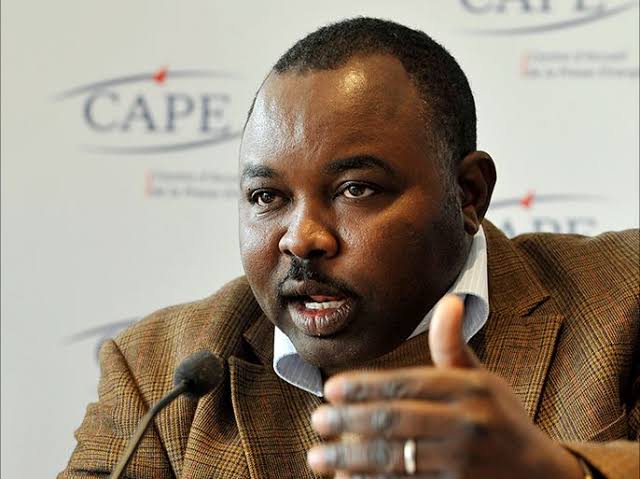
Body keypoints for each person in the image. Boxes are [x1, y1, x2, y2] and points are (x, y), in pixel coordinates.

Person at [60, 17, 638, 479]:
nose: (302, 237)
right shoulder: (158, 373)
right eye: (267, 196)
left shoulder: (622, 301)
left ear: (468, 194)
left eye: (355, 189)